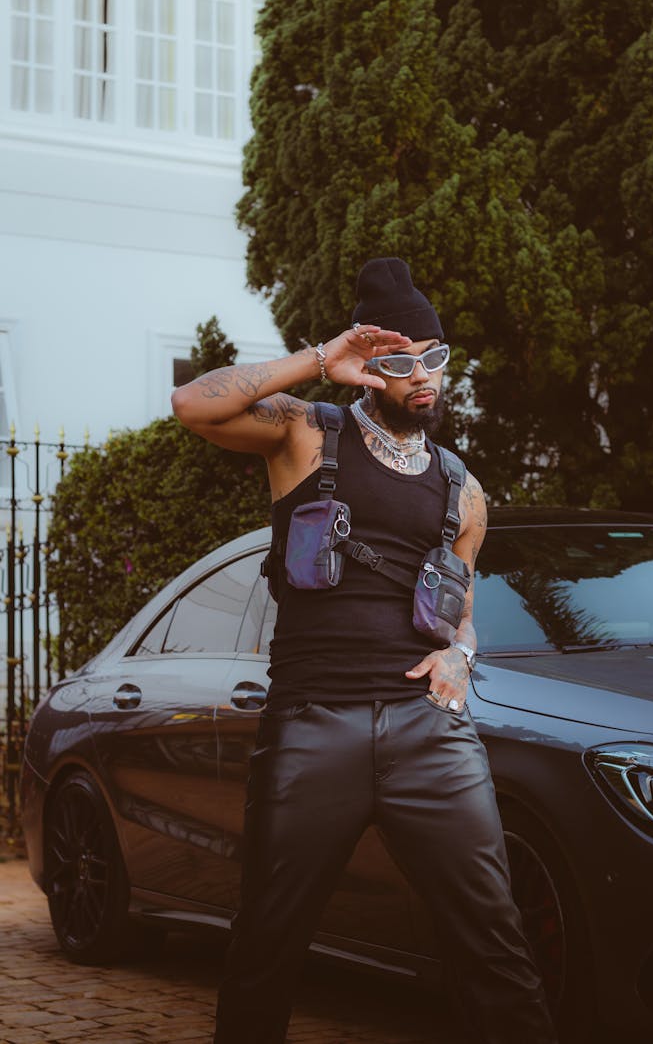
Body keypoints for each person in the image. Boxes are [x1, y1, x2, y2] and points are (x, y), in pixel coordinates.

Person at [172, 257, 556, 1044]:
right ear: (370, 369)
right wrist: (319, 359)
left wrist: (463, 657)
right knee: (267, 942)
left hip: (428, 734)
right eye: (402, 362)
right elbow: (191, 403)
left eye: (435, 360)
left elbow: (464, 613)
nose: (424, 378)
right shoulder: (306, 434)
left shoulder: (464, 488)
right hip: (313, 726)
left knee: (496, 941)